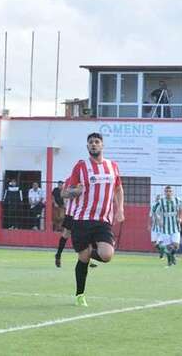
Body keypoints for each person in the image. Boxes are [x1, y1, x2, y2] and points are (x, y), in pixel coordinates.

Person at [62, 132, 125, 307]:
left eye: (97, 142)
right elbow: (65, 192)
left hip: (103, 221)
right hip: (82, 220)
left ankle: (90, 251)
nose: (94, 144)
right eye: (90, 142)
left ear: (102, 145)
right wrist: (74, 192)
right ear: (87, 147)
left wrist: (120, 209)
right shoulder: (80, 167)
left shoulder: (112, 166)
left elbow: (119, 189)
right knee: (83, 258)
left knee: (107, 255)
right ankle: (79, 295)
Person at [154, 186, 182, 267]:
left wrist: (180, 218)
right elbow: (155, 211)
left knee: (176, 246)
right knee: (167, 247)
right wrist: (159, 219)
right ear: (165, 192)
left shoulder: (177, 200)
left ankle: (173, 255)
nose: (168, 193)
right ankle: (169, 261)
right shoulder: (161, 201)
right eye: (167, 191)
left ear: (172, 192)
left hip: (175, 226)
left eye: (170, 191)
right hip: (165, 227)